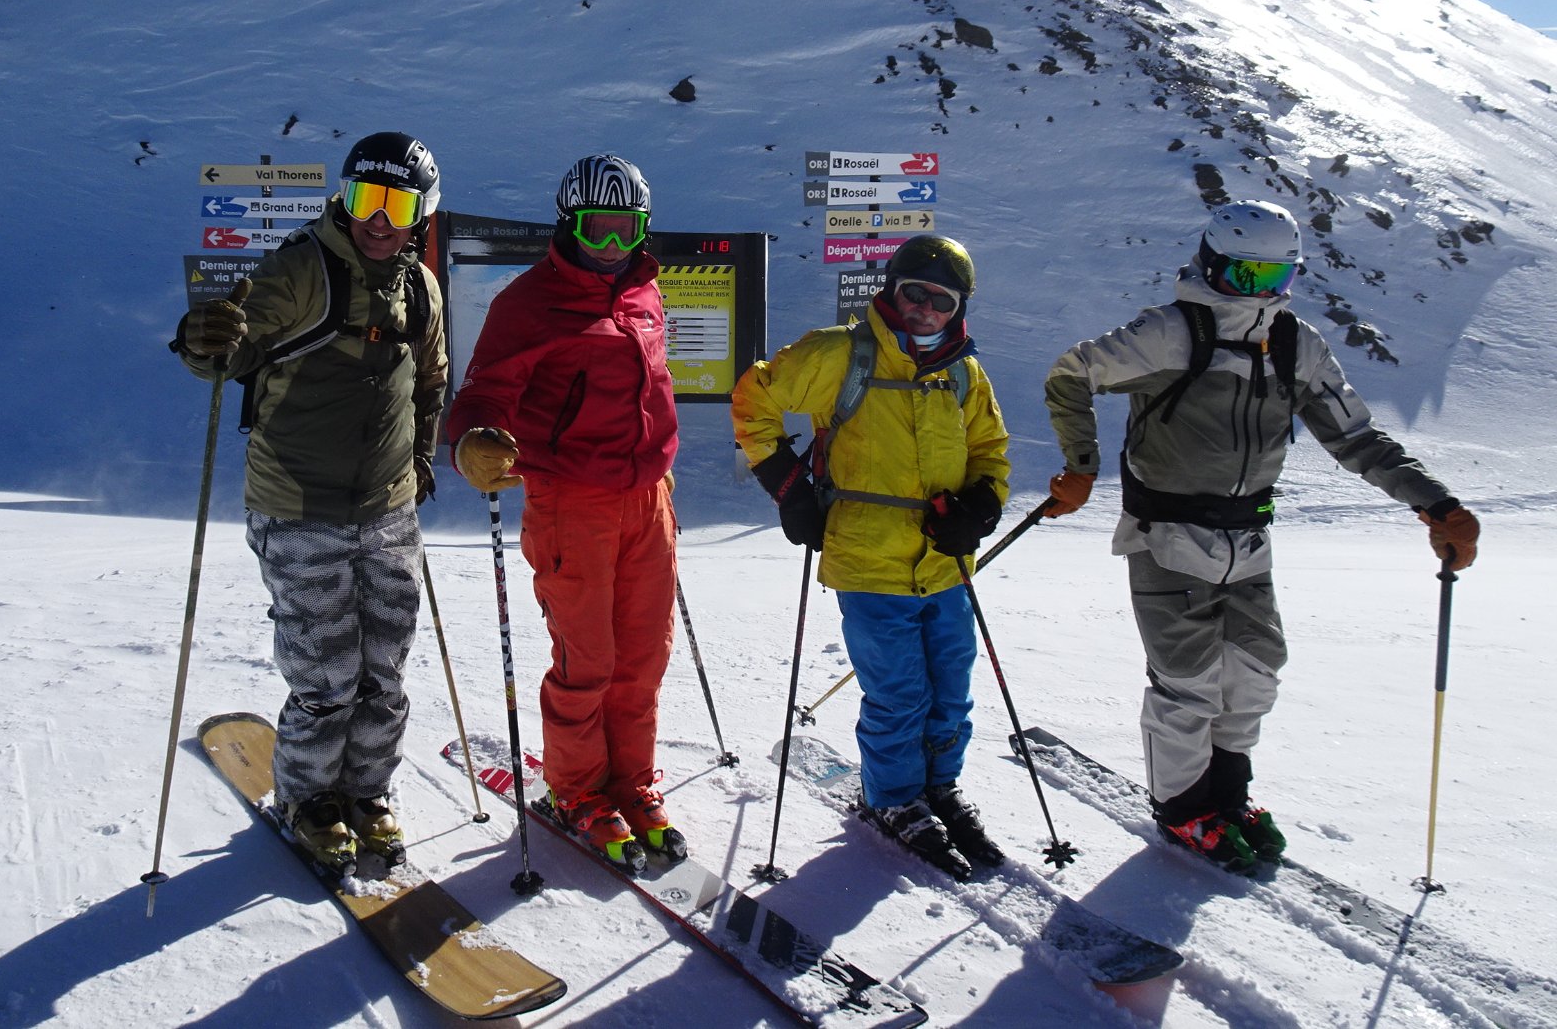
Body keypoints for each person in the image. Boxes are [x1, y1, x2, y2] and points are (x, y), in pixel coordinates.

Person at [1043, 199, 1481, 870]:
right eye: (1244, 275)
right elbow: (1071, 374)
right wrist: (1080, 466)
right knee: (1188, 682)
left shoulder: (1296, 345)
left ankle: (1227, 796)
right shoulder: (1169, 333)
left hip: (1248, 536)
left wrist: (1436, 503)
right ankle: (1184, 812)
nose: (1258, 292)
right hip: (1167, 535)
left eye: (1275, 278)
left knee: (1254, 672)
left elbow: (1355, 436)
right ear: (1210, 264)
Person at [172, 132, 448, 866]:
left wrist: (421, 460)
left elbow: (430, 380)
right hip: (298, 505)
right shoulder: (300, 268)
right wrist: (203, 338)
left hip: (388, 509)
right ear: (343, 198)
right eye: (365, 199)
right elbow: (229, 349)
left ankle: (368, 790)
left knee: (384, 671)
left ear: (422, 214)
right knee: (327, 675)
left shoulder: (421, 288)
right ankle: (310, 797)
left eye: (397, 205)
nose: (378, 219)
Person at [731, 234, 1011, 879]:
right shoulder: (842, 352)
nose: (925, 308)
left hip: (943, 563)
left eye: (942, 300)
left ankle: (938, 784)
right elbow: (755, 399)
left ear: (959, 308)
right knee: (898, 691)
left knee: (952, 689)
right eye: (915, 292)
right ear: (891, 288)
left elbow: (989, 451)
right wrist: (789, 487)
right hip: (868, 558)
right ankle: (893, 797)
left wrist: (980, 508)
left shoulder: (964, 372)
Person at [446, 154, 681, 873]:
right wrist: (474, 439)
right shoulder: (529, 303)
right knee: (588, 660)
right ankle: (577, 788)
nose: (610, 245)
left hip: (647, 497)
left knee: (643, 654)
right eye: (595, 228)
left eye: (624, 229)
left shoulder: (643, 291)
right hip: (571, 501)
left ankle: (631, 781)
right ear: (568, 223)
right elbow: (483, 393)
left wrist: (655, 462)